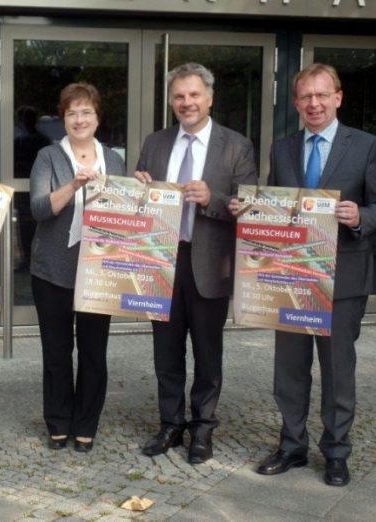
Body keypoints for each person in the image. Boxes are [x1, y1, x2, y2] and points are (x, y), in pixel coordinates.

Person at [253, 63, 376, 486]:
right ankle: (292, 445)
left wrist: (358, 216)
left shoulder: (367, 145)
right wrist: (254, 210)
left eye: (321, 95)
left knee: (337, 371)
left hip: (343, 277)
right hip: (291, 276)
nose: (313, 103)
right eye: (305, 97)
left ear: (337, 97)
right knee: (289, 370)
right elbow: (277, 206)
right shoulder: (282, 149)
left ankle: (335, 452)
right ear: (296, 103)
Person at [134, 63, 257, 464]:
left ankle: (202, 428)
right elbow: (139, 200)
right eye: (179, 96)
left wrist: (212, 199)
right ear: (171, 101)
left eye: (193, 95)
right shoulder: (155, 142)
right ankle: (170, 424)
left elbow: (250, 210)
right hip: (162, 261)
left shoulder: (236, 146)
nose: (186, 102)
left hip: (208, 264)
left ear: (210, 98)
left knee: (207, 353)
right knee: (165, 353)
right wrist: (136, 193)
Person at [30, 83, 126, 452]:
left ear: (97, 117)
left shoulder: (113, 160)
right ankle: (58, 420)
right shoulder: (48, 157)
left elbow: (125, 213)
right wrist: (73, 185)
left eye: (86, 112)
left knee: (92, 352)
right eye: (72, 113)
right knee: (56, 351)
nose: (80, 119)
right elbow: (39, 209)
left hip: (98, 271)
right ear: (63, 118)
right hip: (52, 268)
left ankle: (86, 423)